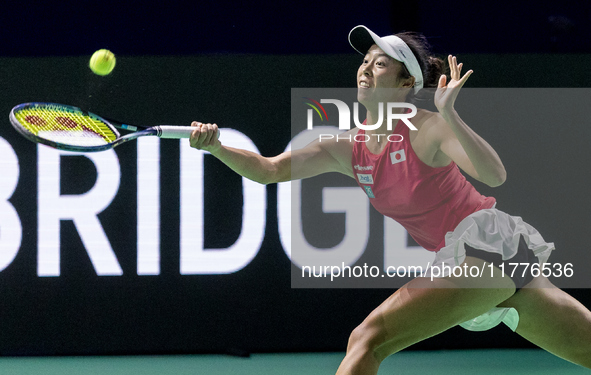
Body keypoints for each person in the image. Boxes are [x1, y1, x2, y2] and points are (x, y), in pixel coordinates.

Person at [188, 25, 591, 374]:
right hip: (488, 260)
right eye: (365, 60)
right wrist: (218, 147)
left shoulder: (427, 127)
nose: (366, 68)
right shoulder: (347, 147)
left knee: (368, 338)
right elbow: (268, 170)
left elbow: (494, 175)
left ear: (404, 84)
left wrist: (450, 115)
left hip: (488, 247)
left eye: (380, 63)